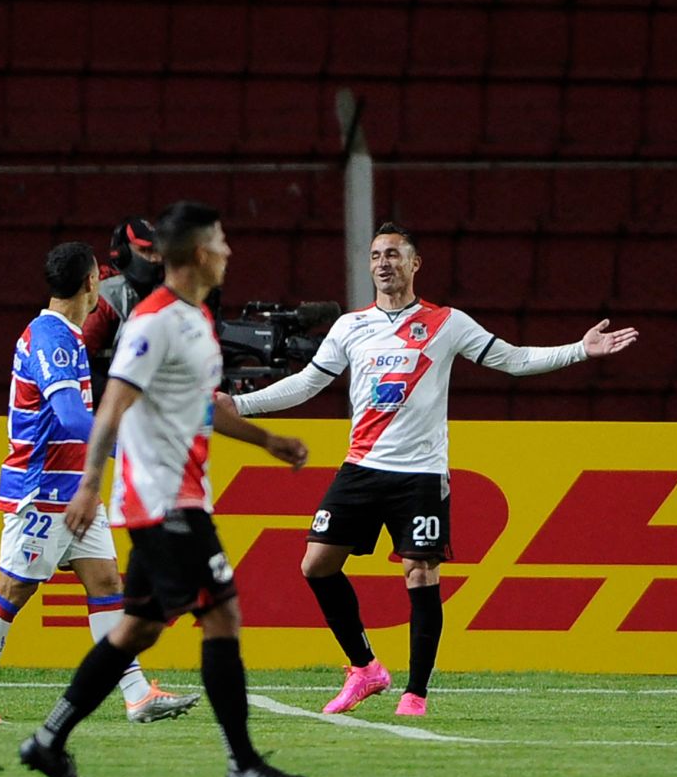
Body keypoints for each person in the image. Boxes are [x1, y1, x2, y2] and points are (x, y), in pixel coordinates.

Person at [217, 221, 638, 717]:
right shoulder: (351, 327)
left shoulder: (447, 322)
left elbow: (513, 359)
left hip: (419, 474)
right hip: (362, 466)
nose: (383, 263)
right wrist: (239, 406)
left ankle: (415, 693)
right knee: (316, 564)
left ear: (415, 264)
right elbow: (307, 384)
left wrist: (578, 350)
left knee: (421, 573)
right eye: (376, 255)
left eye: (394, 254)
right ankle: (366, 668)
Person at [19, 202, 310, 777]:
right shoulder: (152, 322)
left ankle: (47, 740)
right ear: (199, 253)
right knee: (222, 613)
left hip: (184, 494)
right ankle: (242, 761)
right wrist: (88, 485)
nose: (229, 253)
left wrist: (265, 440)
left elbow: (202, 406)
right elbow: (112, 406)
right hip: (160, 500)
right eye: (222, 243)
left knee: (138, 628)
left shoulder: (195, 318)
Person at [0, 242, 199, 726]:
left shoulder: (62, 335)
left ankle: (136, 694)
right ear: (91, 283)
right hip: (42, 490)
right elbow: (68, 417)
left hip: (73, 490)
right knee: (12, 589)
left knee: (107, 582)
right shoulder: (53, 338)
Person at [83, 217, 165, 397]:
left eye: (157, 251)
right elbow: (77, 364)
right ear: (122, 253)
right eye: (145, 250)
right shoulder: (107, 298)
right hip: (106, 406)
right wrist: (117, 397)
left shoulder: (166, 294)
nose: (154, 259)